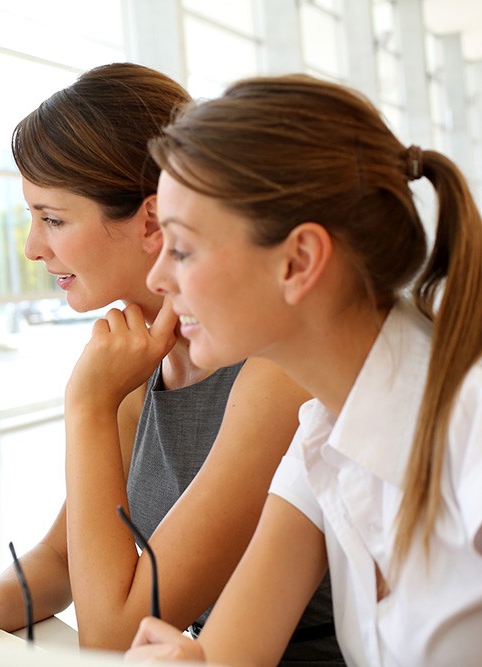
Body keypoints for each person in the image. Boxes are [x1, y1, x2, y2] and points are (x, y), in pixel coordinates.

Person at [0, 64, 343, 663]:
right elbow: (62, 559)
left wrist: (86, 406)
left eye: (52, 218)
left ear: (151, 222)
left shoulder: (271, 375)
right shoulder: (141, 361)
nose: (32, 247)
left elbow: (110, 635)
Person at [125, 74, 482, 666]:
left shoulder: (469, 422)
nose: (157, 278)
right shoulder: (323, 425)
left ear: (299, 260)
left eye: (182, 248)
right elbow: (230, 656)